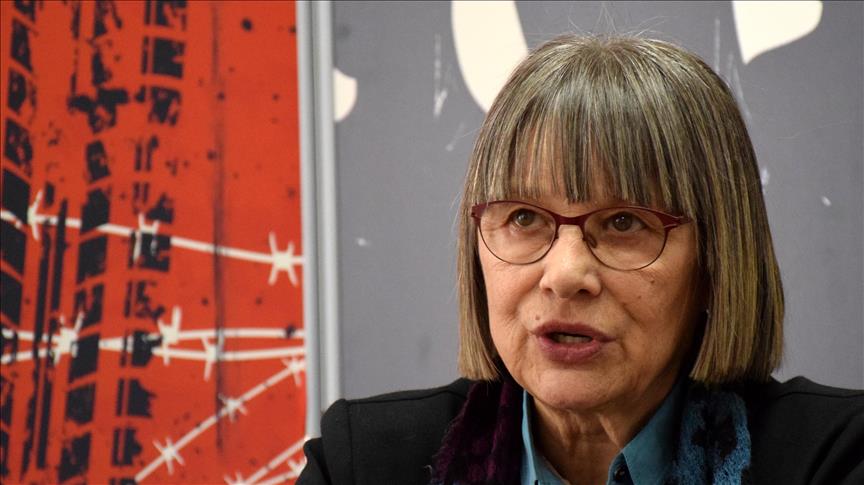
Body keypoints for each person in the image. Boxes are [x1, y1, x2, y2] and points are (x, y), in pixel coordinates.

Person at [298, 34, 864, 485]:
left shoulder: (834, 456)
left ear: (717, 260)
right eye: (524, 218)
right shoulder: (365, 461)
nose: (566, 275)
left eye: (624, 223)